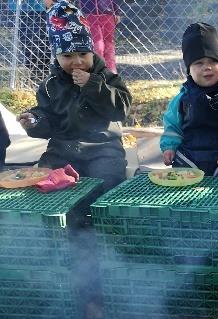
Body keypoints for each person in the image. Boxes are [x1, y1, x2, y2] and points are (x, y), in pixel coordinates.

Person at [16, 0, 132, 193]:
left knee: (108, 182)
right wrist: (35, 121)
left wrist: (93, 85)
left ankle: (101, 217)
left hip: (103, 148)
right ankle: (61, 219)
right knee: (45, 179)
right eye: (68, 56)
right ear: (57, 57)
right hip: (63, 148)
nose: (77, 61)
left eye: (83, 54)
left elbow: (120, 110)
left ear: (92, 52)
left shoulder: (106, 77)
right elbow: (48, 120)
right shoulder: (50, 85)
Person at [160, 22, 218, 176]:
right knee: (179, 184)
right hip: (190, 160)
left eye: (213, 61)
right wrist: (169, 147)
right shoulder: (182, 98)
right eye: (199, 63)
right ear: (189, 69)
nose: (207, 67)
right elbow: (172, 126)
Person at [9, 0, 51, 83]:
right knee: (28, 43)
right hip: (23, 9)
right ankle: (36, 75)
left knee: (44, 42)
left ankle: (42, 75)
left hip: (45, 8)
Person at [79, 0, 120, 73]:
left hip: (108, 15)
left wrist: (117, 12)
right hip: (91, 16)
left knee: (109, 45)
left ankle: (111, 70)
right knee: (98, 46)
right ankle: (99, 70)